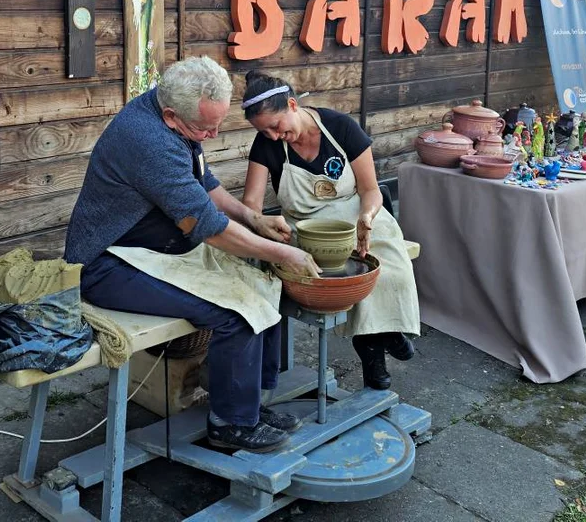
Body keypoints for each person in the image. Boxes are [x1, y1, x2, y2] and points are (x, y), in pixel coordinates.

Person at [64, 56, 321, 453]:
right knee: (236, 312)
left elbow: (204, 184)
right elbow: (207, 228)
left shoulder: (174, 115)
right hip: (109, 262)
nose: (214, 134)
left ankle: (248, 402)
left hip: (155, 246)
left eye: (217, 123)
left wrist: (252, 217)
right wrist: (286, 254)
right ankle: (230, 425)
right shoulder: (147, 141)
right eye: (205, 128)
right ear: (170, 116)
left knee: (262, 283)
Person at [240, 70, 421, 390]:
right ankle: (374, 352)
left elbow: (371, 190)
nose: (270, 135)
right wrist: (260, 223)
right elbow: (251, 203)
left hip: (355, 215)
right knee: (342, 275)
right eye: (263, 131)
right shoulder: (266, 144)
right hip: (303, 225)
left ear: (292, 105)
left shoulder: (341, 128)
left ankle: (385, 337)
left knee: (387, 262)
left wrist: (367, 216)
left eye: (274, 126)